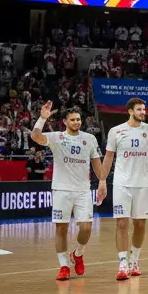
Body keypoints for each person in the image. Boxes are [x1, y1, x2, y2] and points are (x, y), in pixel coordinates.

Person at [31, 102, 105, 281]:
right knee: (61, 228)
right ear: (65, 121)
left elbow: (96, 162)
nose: (76, 122)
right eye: (72, 120)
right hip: (61, 189)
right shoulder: (57, 137)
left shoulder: (89, 138)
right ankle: (63, 266)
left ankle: (78, 254)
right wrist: (42, 118)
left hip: (83, 190)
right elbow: (35, 137)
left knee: (86, 227)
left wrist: (102, 181)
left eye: (78, 119)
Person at [100, 98, 148, 281]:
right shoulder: (116, 131)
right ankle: (122, 263)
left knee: (140, 224)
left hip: (143, 184)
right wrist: (102, 181)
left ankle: (135, 259)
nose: (143, 112)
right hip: (122, 184)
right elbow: (108, 158)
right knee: (121, 223)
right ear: (130, 111)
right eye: (139, 109)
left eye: (144, 109)